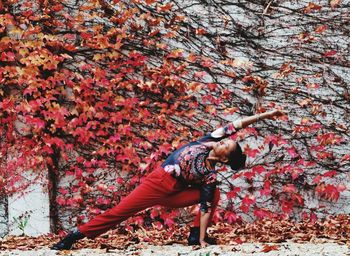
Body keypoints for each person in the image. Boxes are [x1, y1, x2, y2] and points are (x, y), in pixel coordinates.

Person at [50, 109, 283, 250]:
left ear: (224, 159)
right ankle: (75, 236)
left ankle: (194, 236)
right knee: (120, 211)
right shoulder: (206, 140)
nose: (222, 141)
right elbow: (237, 124)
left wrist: (201, 240)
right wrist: (266, 115)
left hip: (176, 193)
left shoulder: (209, 175)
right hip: (158, 183)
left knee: (213, 194)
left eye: (225, 145)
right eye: (225, 140)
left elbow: (204, 207)